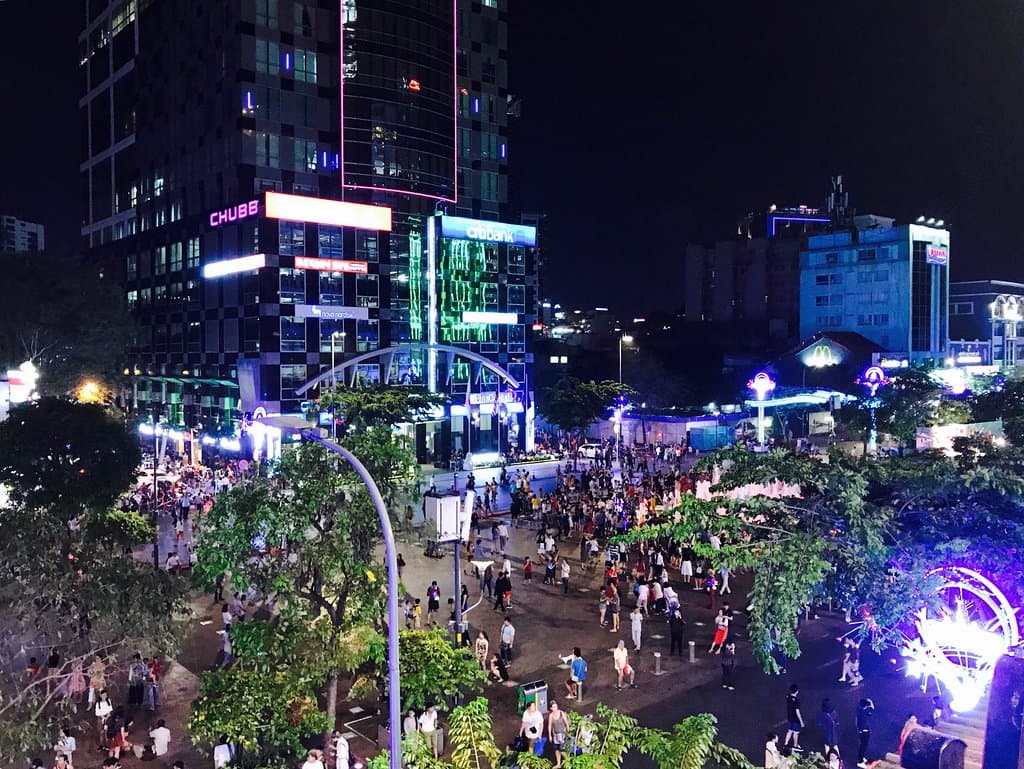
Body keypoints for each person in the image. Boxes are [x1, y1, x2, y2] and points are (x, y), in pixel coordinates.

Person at [548, 701, 570, 767]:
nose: (556, 708)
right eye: (554, 707)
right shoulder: (551, 715)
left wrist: (568, 731)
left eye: (556, 706)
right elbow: (549, 726)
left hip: (562, 734)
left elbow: (566, 723)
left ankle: (568, 760)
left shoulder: (561, 713)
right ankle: (558, 764)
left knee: (561, 749)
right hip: (555, 734)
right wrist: (550, 735)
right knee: (556, 749)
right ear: (551, 708)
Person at [856, 698, 875, 769]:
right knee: (863, 746)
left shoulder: (860, 710)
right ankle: (860, 761)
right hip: (864, 732)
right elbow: (872, 708)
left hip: (862, 732)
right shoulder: (864, 713)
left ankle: (861, 757)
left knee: (862, 746)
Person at [784, 684, 804, 750]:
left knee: (790, 731)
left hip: (790, 718)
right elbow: (797, 712)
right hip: (795, 719)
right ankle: (795, 745)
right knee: (796, 732)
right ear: (797, 691)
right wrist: (801, 722)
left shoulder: (788, 697)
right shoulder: (797, 701)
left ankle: (785, 744)